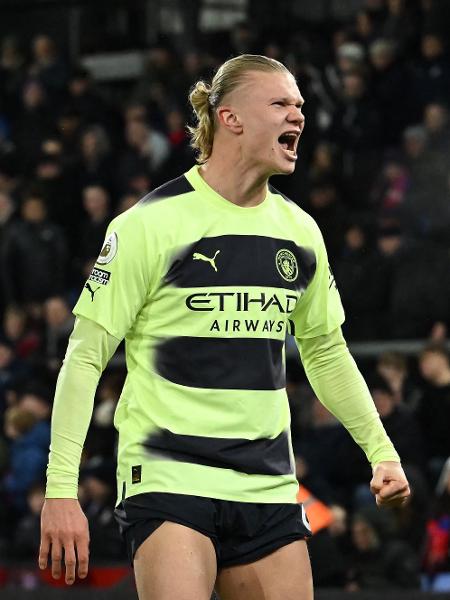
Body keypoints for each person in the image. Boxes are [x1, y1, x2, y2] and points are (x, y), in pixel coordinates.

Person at [39, 55, 410, 599]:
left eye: (300, 105)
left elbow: (326, 353)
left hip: (268, 482)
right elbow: (85, 356)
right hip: (168, 473)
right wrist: (60, 490)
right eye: (281, 103)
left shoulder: (300, 232)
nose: (299, 116)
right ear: (230, 118)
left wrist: (382, 451)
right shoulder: (149, 223)